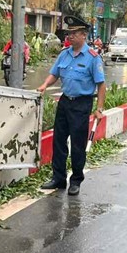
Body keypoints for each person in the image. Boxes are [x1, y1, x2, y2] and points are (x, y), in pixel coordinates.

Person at [36, 15, 106, 196]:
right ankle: (58, 178)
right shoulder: (64, 54)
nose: (70, 36)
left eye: (74, 33)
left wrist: (99, 108)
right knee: (58, 141)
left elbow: (101, 84)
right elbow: (55, 74)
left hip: (82, 104)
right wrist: (45, 85)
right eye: (69, 33)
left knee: (77, 144)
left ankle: (76, 180)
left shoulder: (93, 57)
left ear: (83, 35)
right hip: (65, 102)